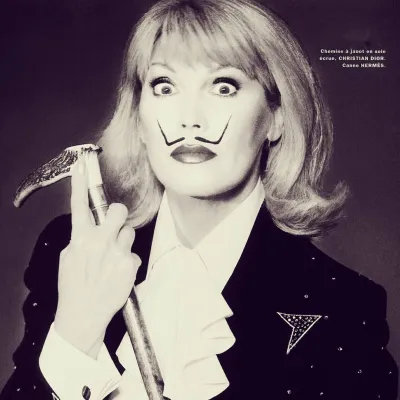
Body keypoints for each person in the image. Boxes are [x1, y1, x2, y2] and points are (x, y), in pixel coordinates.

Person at [1, 0, 398, 399]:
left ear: (276, 117)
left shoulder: (343, 307)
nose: (189, 119)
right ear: (139, 115)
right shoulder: (73, 252)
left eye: (224, 86)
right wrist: (76, 330)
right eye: (165, 86)